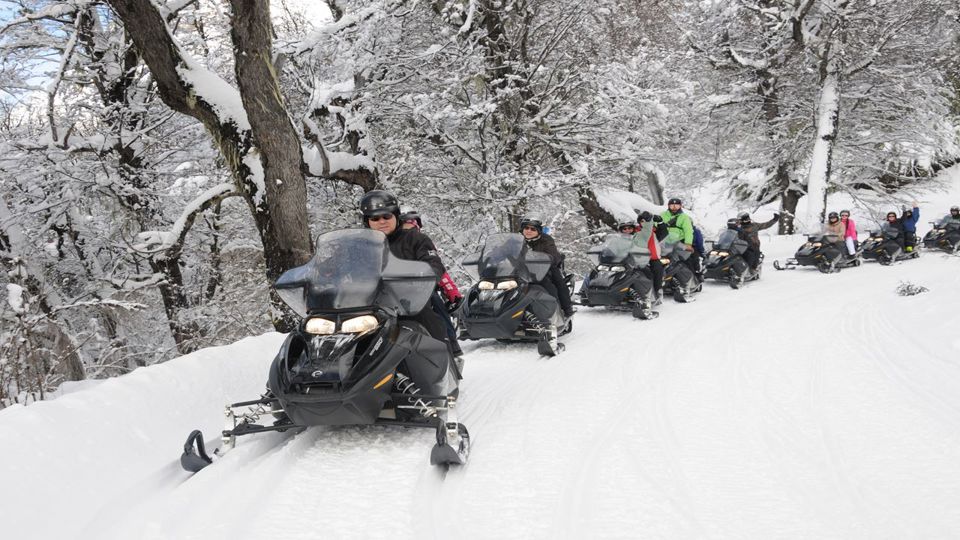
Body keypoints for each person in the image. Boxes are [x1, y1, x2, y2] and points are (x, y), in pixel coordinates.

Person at [360, 191, 454, 354]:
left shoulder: (415, 239)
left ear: (396, 216)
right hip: (369, 304)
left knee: (427, 316)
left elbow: (433, 263)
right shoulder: (361, 246)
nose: (381, 221)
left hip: (408, 301)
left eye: (386, 216)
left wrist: (424, 276)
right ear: (367, 222)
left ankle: (443, 357)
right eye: (375, 218)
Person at [398, 210, 464, 357]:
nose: (408, 229)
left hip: (422, 289)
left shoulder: (420, 241)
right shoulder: (389, 242)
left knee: (438, 311)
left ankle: (451, 347)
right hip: (392, 291)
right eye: (405, 225)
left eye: (412, 226)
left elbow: (437, 267)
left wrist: (452, 292)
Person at [519, 217, 575, 318]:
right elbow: (505, 250)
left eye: (533, 229)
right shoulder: (518, 240)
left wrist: (549, 259)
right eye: (526, 228)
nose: (529, 231)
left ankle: (564, 309)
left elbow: (553, 255)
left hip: (543, 270)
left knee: (557, 282)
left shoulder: (546, 240)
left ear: (538, 231)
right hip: (520, 271)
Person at [660, 197, 699, 274]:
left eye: (676, 206)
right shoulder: (663, 215)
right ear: (668, 206)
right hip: (664, 241)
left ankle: (694, 273)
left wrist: (688, 244)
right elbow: (655, 226)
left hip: (680, 241)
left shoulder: (684, 217)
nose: (674, 208)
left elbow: (688, 231)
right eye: (672, 206)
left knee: (688, 257)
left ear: (680, 206)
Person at [636, 211, 665, 303]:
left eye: (647, 221)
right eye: (642, 221)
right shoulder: (636, 230)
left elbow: (664, 233)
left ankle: (657, 291)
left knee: (657, 270)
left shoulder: (654, 231)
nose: (645, 223)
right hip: (639, 258)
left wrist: (660, 222)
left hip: (653, 258)